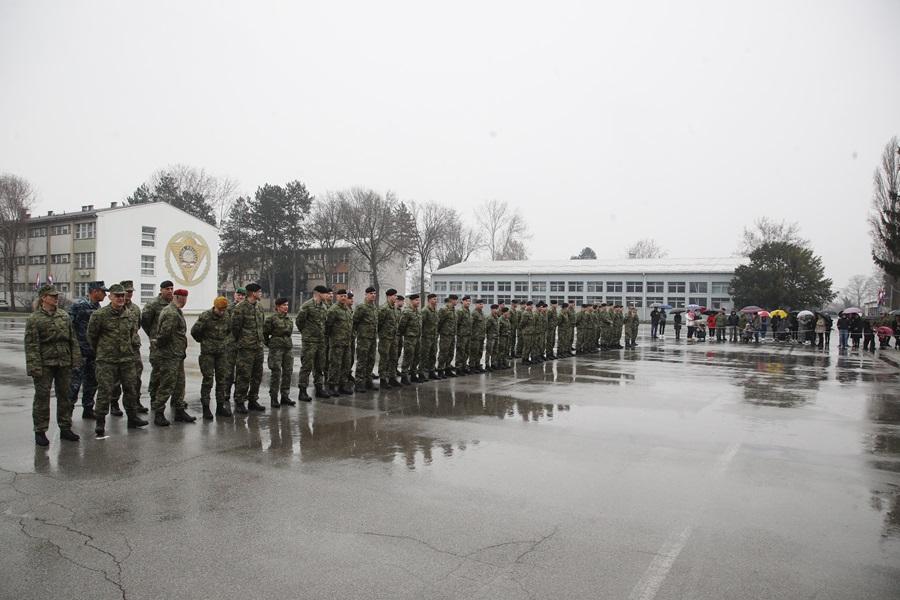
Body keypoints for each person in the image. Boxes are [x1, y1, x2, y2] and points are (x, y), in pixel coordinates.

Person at [88, 283, 150, 436]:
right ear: (110, 297)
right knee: (105, 391)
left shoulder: (130, 314)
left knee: (131, 389)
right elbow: (92, 337)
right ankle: (100, 422)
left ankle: (132, 418)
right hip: (107, 360)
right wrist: (102, 351)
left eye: (122, 296)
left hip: (127, 359)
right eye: (118, 296)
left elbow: (132, 334)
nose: (121, 298)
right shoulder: (100, 315)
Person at [25, 284, 82, 446]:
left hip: (63, 362)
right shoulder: (35, 319)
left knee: (65, 396)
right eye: (52, 296)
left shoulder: (63, 316)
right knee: (42, 397)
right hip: (44, 364)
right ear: (44, 298)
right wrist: (34, 367)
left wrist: (76, 359)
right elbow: (31, 345)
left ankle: (65, 427)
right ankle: (40, 430)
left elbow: (73, 339)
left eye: (57, 296)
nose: (56, 298)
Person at [152, 288, 194, 426]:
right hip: (169, 355)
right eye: (184, 298)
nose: (186, 301)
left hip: (177, 354)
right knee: (167, 384)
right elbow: (164, 335)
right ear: (179, 298)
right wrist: (164, 349)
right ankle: (159, 413)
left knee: (179, 384)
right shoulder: (171, 313)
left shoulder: (175, 311)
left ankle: (179, 411)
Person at [191, 296, 234, 419]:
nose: (221, 312)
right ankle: (206, 408)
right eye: (219, 310)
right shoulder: (205, 316)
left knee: (221, 380)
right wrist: (203, 342)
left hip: (221, 353)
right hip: (208, 354)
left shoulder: (226, 316)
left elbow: (229, 331)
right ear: (214, 307)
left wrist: (224, 343)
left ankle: (220, 407)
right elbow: (195, 331)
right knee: (208, 380)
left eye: (223, 310)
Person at [110, 281, 149, 414]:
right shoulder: (112, 309)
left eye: (131, 292)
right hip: (117, 349)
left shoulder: (136, 309)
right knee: (116, 379)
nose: (128, 295)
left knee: (136, 376)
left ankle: (135, 402)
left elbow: (137, 327)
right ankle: (114, 403)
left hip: (133, 348)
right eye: (126, 292)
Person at [69, 280, 106, 419]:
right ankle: (67, 414)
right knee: (74, 385)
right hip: (79, 352)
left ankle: (88, 409)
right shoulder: (79, 305)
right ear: (95, 291)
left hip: (93, 352)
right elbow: (69, 325)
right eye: (103, 291)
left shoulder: (98, 307)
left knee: (92, 382)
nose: (105, 295)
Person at [231, 282, 266, 413]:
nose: (261, 294)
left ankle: (253, 400)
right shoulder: (240, 308)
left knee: (257, 375)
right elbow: (235, 328)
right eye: (259, 292)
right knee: (243, 375)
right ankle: (239, 401)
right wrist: (242, 341)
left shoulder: (259, 307)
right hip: (246, 348)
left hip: (258, 346)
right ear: (253, 293)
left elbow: (261, 325)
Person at [140, 280, 174, 414]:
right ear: (161, 290)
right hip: (157, 344)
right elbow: (145, 321)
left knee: (169, 373)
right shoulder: (153, 304)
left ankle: (169, 399)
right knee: (157, 372)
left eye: (171, 288)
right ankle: (154, 398)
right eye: (167, 289)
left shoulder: (172, 303)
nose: (170, 291)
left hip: (170, 345)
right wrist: (152, 335)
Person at [296, 285, 329, 400]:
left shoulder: (324, 307)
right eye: (325, 293)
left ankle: (319, 388)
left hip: (320, 341)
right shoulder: (307, 306)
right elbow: (299, 321)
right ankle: (302, 391)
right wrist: (306, 333)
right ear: (319, 293)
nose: (327, 295)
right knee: (307, 366)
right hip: (309, 342)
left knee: (320, 366)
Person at [264, 297, 296, 407]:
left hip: (287, 348)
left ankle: (285, 396)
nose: (286, 307)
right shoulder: (271, 319)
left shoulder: (289, 319)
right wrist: (271, 344)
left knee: (288, 372)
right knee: (276, 373)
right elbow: (265, 334)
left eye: (287, 305)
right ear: (277, 307)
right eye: (283, 305)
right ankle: (274, 398)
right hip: (276, 349)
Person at [325, 289, 354, 395]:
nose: (343, 298)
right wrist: (331, 339)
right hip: (337, 343)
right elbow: (328, 326)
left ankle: (342, 385)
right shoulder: (333, 310)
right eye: (341, 296)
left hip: (347, 342)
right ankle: (332, 386)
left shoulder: (347, 309)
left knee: (346, 365)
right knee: (335, 365)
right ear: (337, 297)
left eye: (344, 296)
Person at [352, 287, 379, 391]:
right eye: (371, 293)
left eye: (374, 293)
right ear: (366, 295)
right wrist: (357, 334)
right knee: (362, 360)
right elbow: (354, 322)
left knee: (371, 360)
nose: (373, 295)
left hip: (372, 339)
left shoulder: (374, 308)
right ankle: (359, 382)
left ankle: (368, 381)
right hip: (363, 339)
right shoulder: (361, 308)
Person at [377, 289, 400, 386]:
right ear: (389, 296)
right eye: (394, 296)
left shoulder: (394, 308)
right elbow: (379, 323)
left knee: (394, 358)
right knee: (384, 358)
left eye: (396, 295)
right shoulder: (384, 308)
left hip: (393, 337)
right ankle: (382, 379)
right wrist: (382, 335)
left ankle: (392, 378)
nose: (396, 297)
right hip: (385, 338)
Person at [398, 294, 422, 384]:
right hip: (409, 338)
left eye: (418, 300)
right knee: (408, 356)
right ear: (411, 301)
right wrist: (405, 334)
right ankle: (404, 376)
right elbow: (402, 325)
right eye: (416, 300)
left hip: (417, 337)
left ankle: (413, 374)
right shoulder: (407, 311)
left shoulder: (417, 312)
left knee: (417, 356)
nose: (418, 302)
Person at [420, 293, 440, 380]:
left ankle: (431, 372)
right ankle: (421, 373)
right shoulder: (425, 311)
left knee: (433, 355)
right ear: (429, 300)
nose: (436, 301)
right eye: (434, 299)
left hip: (434, 337)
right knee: (424, 355)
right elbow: (421, 324)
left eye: (436, 299)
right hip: (426, 337)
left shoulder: (435, 310)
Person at [438, 295, 458, 376]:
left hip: (452, 335)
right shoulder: (444, 310)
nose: (457, 302)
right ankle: (440, 370)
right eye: (455, 300)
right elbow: (439, 322)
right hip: (445, 335)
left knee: (450, 353)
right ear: (451, 300)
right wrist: (440, 332)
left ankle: (447, 369)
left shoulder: (453, 310)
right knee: (443, 353)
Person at [455, 296, 473, 374]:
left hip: (468, 335)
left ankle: (464, 366)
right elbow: (457, 323)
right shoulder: (460, 311)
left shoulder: (468, 311)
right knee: (460, 352)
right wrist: (458, 333)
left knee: (466, 352)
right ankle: (458, 368)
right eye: (466, 301)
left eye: (469, 301)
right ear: (462, 302)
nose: (468, 302)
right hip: (462, 335)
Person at [468, 299, 487, 373]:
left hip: (481, 336)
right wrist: (472, 335)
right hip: (475, 337)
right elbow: (471, 325)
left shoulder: (482, 313)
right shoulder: (474, 313)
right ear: (476, 305)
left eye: (482, 304)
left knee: (479, 352)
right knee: (474, 352)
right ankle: (472, 366)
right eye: (480, 304)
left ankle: (477, 365)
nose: (481, 305)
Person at [485, 304, 499, 370]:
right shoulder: (489, 318)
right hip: (491, 337)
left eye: (497, 309)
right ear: (492, 309)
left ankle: (493, 364)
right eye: (495, 309)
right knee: (489, 351)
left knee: (495, 351)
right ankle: (487, 365)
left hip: (496, 337)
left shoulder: (496, 317)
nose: (496, 310)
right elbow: (486, 327)